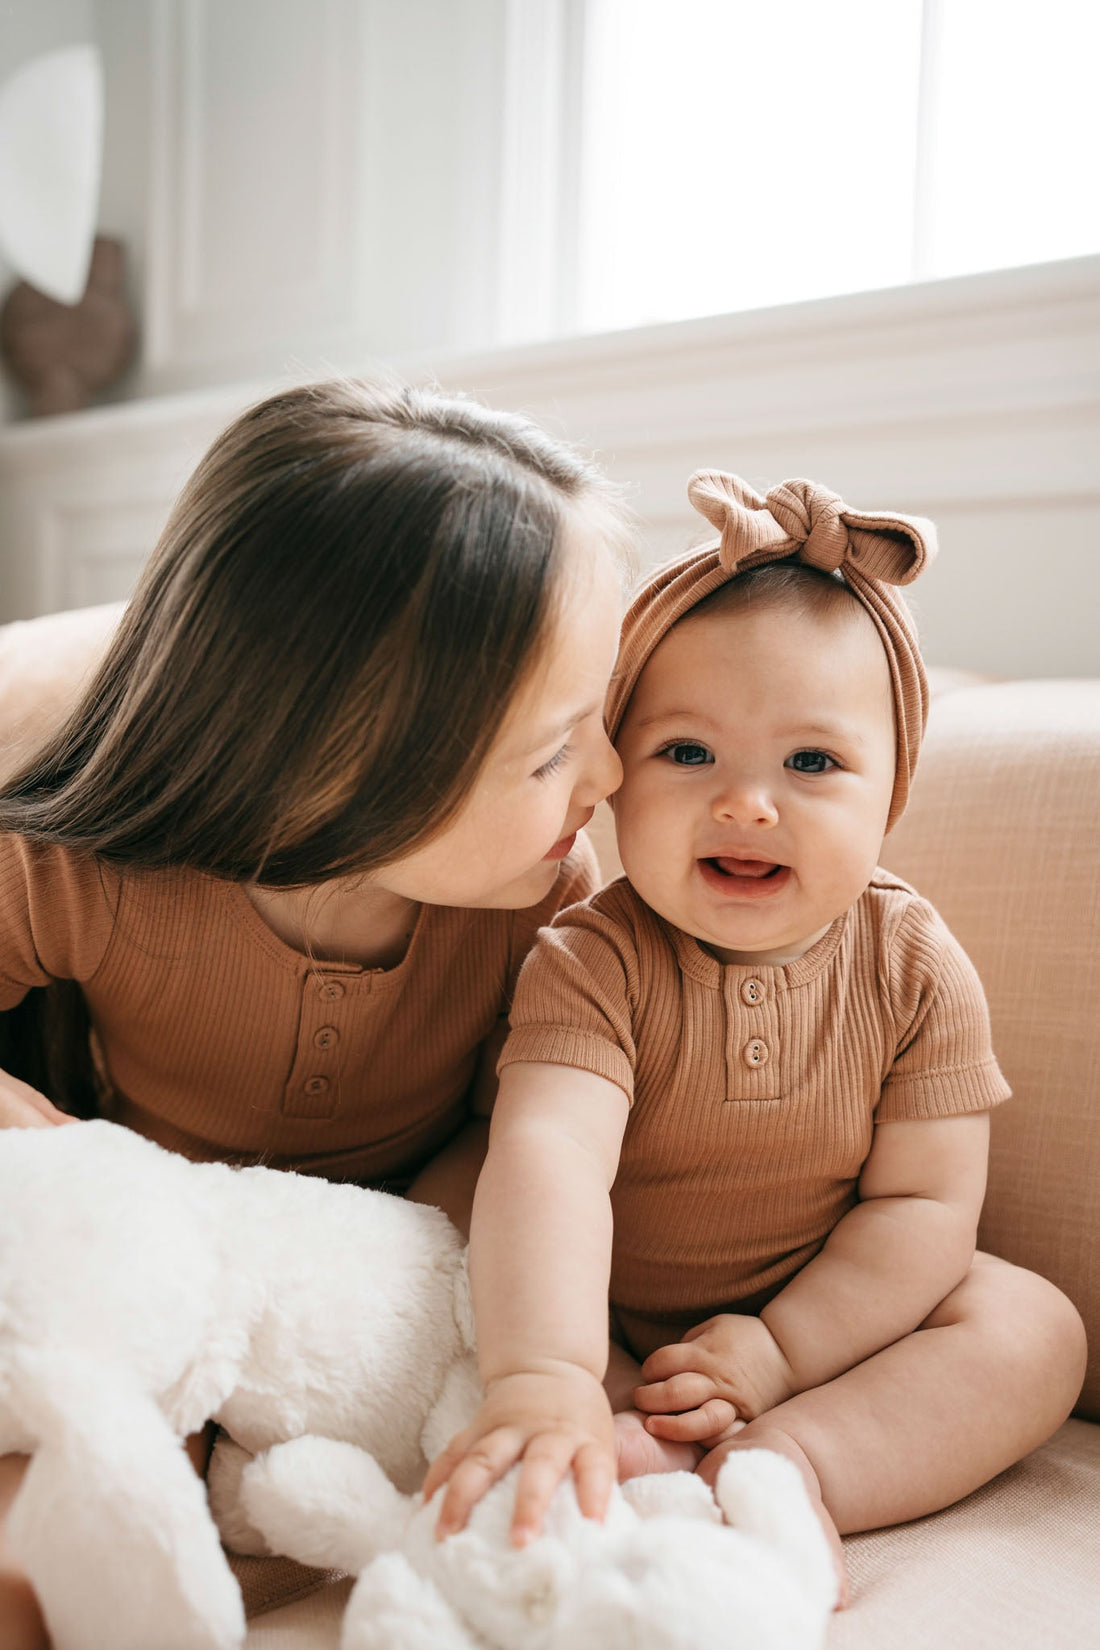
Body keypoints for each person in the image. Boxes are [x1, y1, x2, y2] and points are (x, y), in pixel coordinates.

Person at [0, 377, 629, 1646]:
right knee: (75, 1467)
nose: (606, 778)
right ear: (333, 759)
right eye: (554, 749)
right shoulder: (91, 874)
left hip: (378, 1300)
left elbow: (530, 1140)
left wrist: (418, 1252)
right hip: (147, 1274)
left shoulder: (545, 906)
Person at [426, 472, 1087, 1593]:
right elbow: (549, 1158)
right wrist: (547, 1369)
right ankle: (615, 1421)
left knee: (1030, 1325)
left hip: (824, 1319)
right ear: (612, 777)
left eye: (811, 763)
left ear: (892, 793)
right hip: (598, 1301)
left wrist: (783, 1354)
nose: (746, 804)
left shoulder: (912, 964)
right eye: (686, 754)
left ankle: (794, 1466)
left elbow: (921, 1206)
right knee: (442, 1214)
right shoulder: (593, 957)